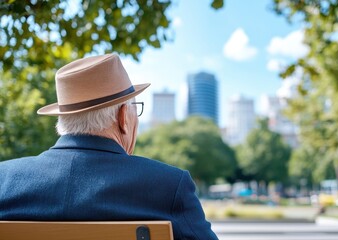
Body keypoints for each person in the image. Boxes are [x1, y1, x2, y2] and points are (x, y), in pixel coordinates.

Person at [0, 53, 218, 240]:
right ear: (123, 117)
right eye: (136, 109)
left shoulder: (4, 180)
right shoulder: (169, 187)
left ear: (62, 119)